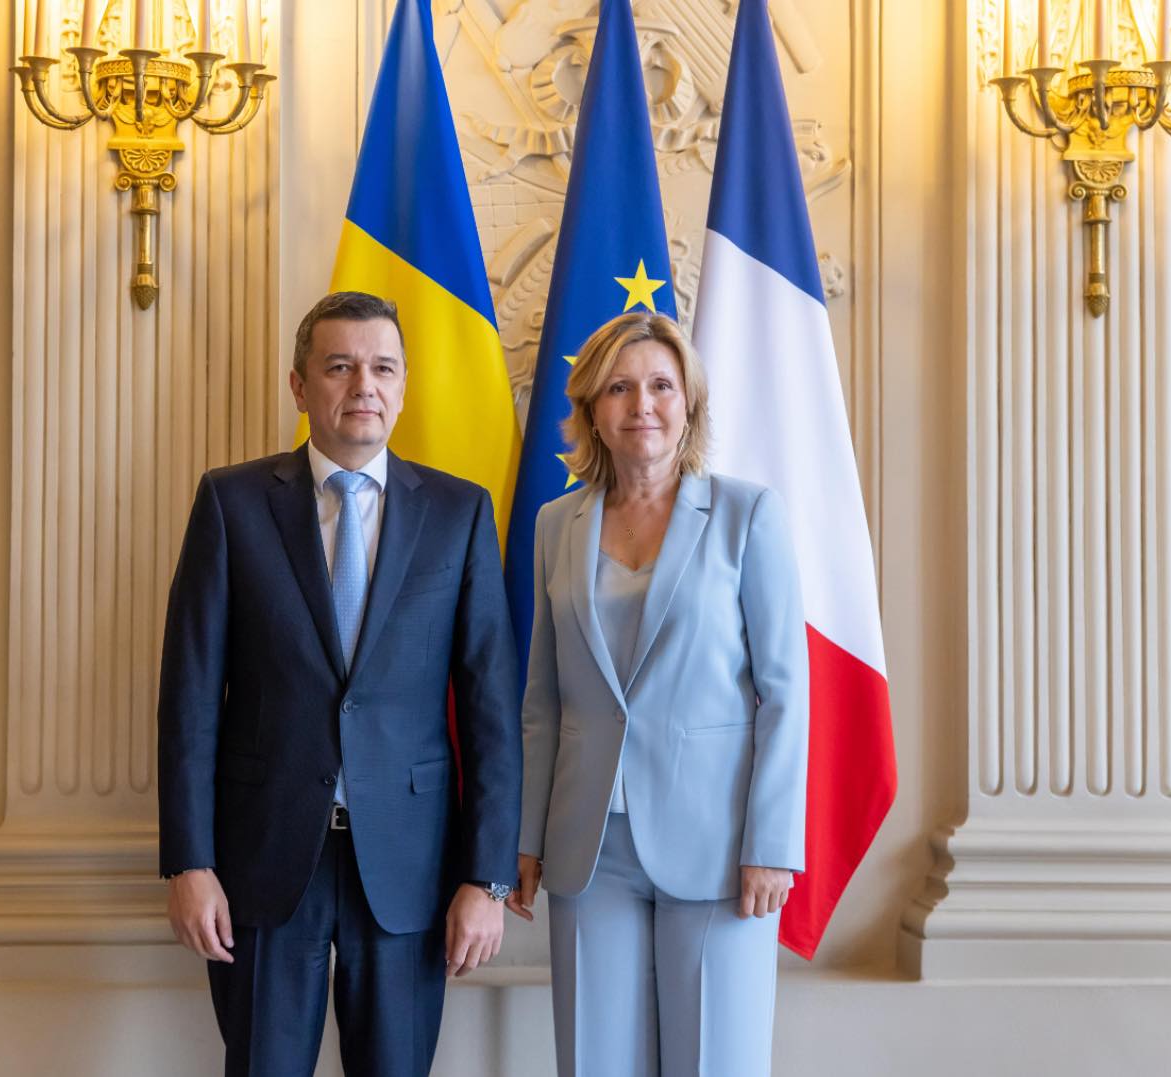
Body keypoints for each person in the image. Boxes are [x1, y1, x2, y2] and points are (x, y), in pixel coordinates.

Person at [157, 291, 521, 1077]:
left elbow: (491, 709)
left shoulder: (458, 512)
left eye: (383, 367)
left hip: (410, 866)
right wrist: (188, 862)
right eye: (340, 366)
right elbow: (190, 699)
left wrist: (487, 877)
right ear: (299, 385)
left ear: (403, 385)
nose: (364, 385)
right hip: (260, 859)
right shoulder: (231, 503)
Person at [508, 310, 809, 1077]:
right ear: (591, 409)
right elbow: (542, 699)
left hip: (719, 843)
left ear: (689, 402)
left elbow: (783, 693)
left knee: (715, 1062)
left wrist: (772, 844)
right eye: (618, 387)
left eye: (660, 386)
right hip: (588, 846)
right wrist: (527, 836)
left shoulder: (747, 515)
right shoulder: (554, 524)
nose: (641, 403)